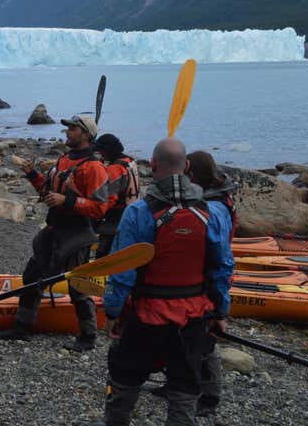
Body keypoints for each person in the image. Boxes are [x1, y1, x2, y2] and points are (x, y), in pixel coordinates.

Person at [100, 138, 234, 426]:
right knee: (184, 388)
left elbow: (121, 270)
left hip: (146, 314)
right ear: (186, 167)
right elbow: (222, 268)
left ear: (153, 165)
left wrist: (112, 312)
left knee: (124, 379)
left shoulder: (137, 212)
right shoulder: (214, 213)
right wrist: (221, 312)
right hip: (193, 316)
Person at [0, 114, 108, 352]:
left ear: (86, 135)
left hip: (77, 234)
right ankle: (21, 328)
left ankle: (87, 337)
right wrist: (32, 174)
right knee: (31, 277)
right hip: (53, 231)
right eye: (68, 128)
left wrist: (68, 200)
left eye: (73, 129)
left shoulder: (94, 167)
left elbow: (100, 208)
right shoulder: (65, 160)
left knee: (78, 287)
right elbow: (48, 192)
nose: (67, 132)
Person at [186, 151, 238, 420]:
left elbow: (221, 261)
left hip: (207, 281)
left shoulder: (214, 209)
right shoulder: (213, 197)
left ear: (192, 174)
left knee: (206, 341)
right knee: (186, 338)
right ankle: (181, 382)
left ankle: (210, 397)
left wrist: (221, 310)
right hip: (195, 279)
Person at [94, 134, 139, 259]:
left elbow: (109, 199)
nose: (100, 154)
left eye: (101, 151)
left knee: (104, 254)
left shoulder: (115, 169)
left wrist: (95, 214)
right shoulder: (130, 162)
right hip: (133, 212)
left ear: (107, 150)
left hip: (116, 218)